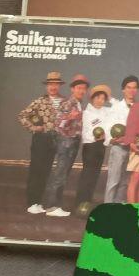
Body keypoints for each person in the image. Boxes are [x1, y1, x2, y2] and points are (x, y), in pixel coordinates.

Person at [17, 71, 65, 215]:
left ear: (60, 86)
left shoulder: (64, 101)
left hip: (56, 140)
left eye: (56, 84)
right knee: (36, 170)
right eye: (51, 84)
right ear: (46, 86)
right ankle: (32, 202)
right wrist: (33, 127)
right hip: (41, 139)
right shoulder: (40, 101)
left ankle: (40, 202)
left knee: (46, 172)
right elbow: (22, 115)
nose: (53, 87)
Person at [42, 74, 88, 218]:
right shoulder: (68, 103)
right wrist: (69, 117)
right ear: (72, 89)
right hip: (66, 142)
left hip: (73, 142)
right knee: (60, 174)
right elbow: (57, 124)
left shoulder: (79, 103)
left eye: (83, 88)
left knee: (63, 174)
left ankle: (53, 205)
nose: (81, 91)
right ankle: (51, 206)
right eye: (78, 88)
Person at [74, 84, 111, 211]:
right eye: (98, 97)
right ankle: (79, 204)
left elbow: (110, 127)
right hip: (90, 146)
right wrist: (96, 137)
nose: (100, 100)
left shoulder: (106, 111)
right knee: (87, 175)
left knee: (95, 176)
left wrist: (105, 136)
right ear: (92, 98)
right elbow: (85, 133)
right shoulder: (86, 113)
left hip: (101, 146)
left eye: (103, 98)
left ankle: (87, 203)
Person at [104, 75, 139, 203]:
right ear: (123, 90)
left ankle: (117, 208)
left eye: (134, 88)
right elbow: (108, 126)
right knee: (113, 181)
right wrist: (112, 140)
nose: (131, 90)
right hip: (118, 148)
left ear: (137, 90)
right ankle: (108, 209)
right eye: (128, 87)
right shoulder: (116, 107)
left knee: (125, 182)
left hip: (133, 150)